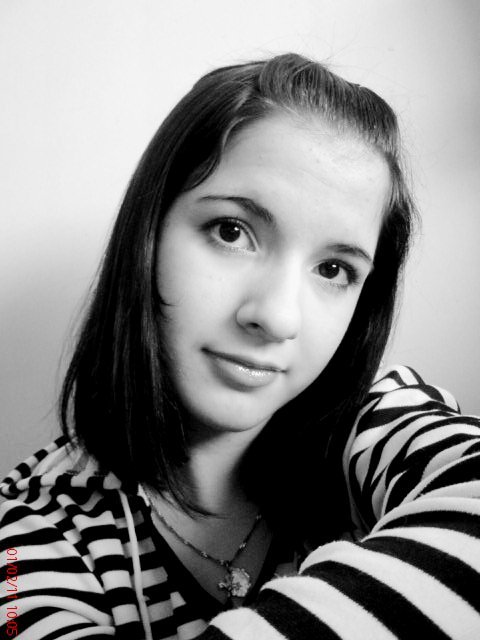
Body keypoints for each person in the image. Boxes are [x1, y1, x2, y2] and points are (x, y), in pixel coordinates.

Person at [1, 53, 479, 640]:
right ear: (147, 235)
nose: (277, 317)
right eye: (232, 232)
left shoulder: (376, 420)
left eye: (333, 269)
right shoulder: (30, 536)